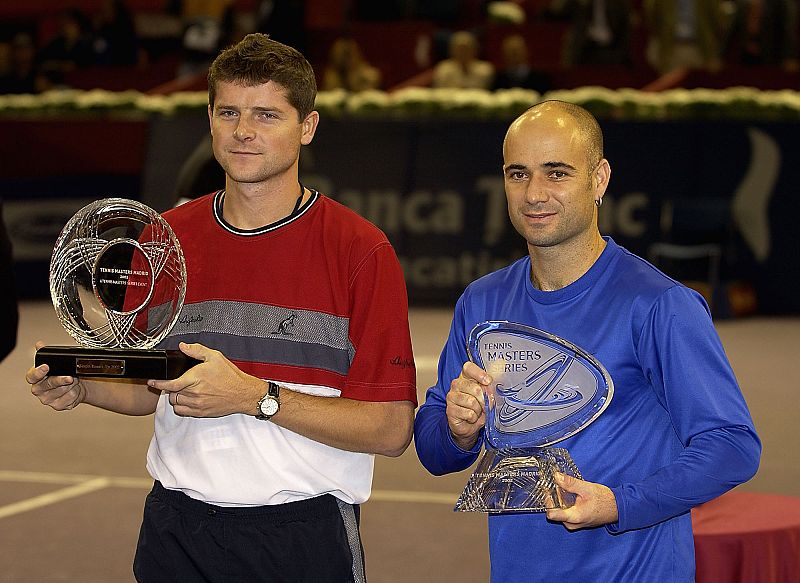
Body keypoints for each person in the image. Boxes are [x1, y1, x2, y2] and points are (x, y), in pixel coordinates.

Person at [26, 33, 417, 582]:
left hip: (302, 536)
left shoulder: (360, 250)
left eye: (266, 114)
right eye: (228, 112)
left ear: (307, 126)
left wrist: (256, 397)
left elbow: (390, 428)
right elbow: (150, 387)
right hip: (175, 531)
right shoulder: (163, 240)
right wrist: (83, 386)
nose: (243, 131)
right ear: (209, 119)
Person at [413, 100, 761, 581]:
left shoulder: (659, 304)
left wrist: (620, 504)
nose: (534, 193)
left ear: (599, 180)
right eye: (518, 174)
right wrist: (459, 430)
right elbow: (433, 449)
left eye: (557, 173)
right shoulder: (482, 301)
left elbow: (732, 445)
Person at [643, 0, 724, 74]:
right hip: (672, 49)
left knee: (703, 82)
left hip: (700, 49)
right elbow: (653, 18)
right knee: (672, 83)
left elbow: (716, 20)